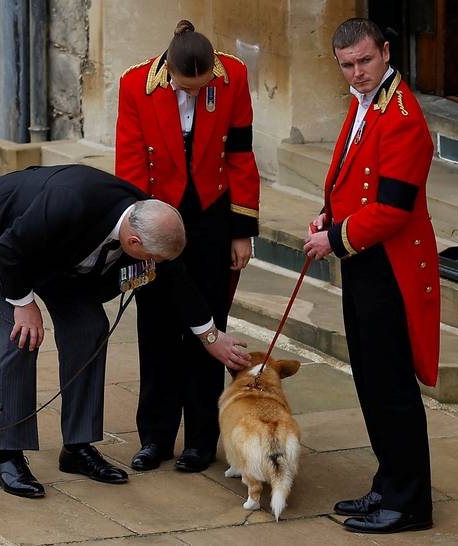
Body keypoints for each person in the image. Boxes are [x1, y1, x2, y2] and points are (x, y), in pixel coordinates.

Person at [0, 164, 250, 499]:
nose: (154, 264)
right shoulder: (70, 202)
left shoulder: (149, 218)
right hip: (0, 237)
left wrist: (211, 337)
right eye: (150, 258)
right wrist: (25, 305)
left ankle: (77, 447)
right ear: (132, 241)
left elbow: (177, 278)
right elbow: (10, 247)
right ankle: (8, 456)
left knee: (90, 326)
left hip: (56, 256)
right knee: (20, 336)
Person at [303, 18, 439, 534]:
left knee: (391, 386)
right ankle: (388, 482)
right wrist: (327, 215)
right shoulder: (367, 104)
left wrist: (333, 239)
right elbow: (350, 178)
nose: (357, 74)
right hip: (365, 261)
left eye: (365, 61)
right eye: (347, 66)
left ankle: (410, 503)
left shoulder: (402, 115)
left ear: (385, 52)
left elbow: (394, 208)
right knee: (369, 378)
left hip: (391, 268)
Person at [115, 19, 260, 473]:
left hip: (212, 216)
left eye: (202, 89)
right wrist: (143, 235)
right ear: (171, 71)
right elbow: (130, 163)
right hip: (157, 214)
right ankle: (154, 438)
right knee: (156, 328)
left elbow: (240, 153)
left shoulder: (232, 74)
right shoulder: (135, 84)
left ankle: (201, 440)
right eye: (187, 89)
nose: (195, 96)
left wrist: (242, 230)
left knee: (209, 325)